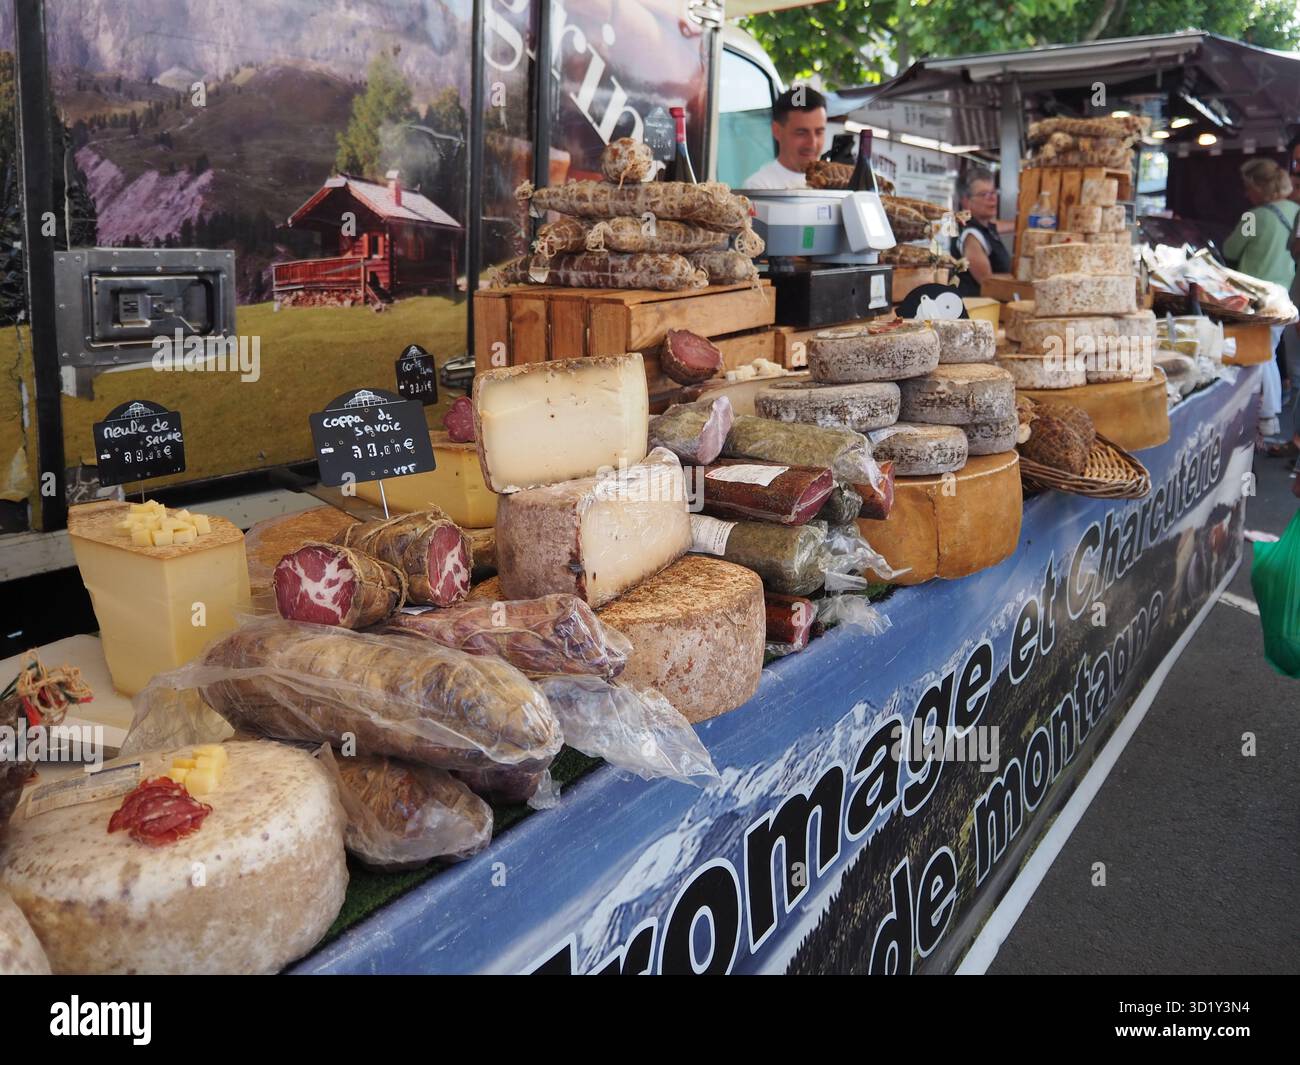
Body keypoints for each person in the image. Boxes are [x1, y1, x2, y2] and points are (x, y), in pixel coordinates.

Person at [1223, 158, 1299, 446]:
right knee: (1271, 353)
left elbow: (1230, 249)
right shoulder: (1296, 211)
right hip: (1286, 297)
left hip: (1255, 300)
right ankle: (1268, 414)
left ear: (1259, 187)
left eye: (1248, 187)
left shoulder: (1254, 218)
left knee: (1260, 355)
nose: (1246, 194)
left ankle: (1267, 416)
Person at [743, 87, 827, 190]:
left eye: (819, 132)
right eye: (801, 133)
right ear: (777, 131)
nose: (812, 143)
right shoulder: (758, 186)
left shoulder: (835, 180)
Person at [950, 167, 1012, 298]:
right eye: (984, 194)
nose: (993, 199)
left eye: (994, 192)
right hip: (978, 312)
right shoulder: (971, 236)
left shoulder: (985, 227)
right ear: (966, 201)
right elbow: (987, 283)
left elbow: (1000, 226)